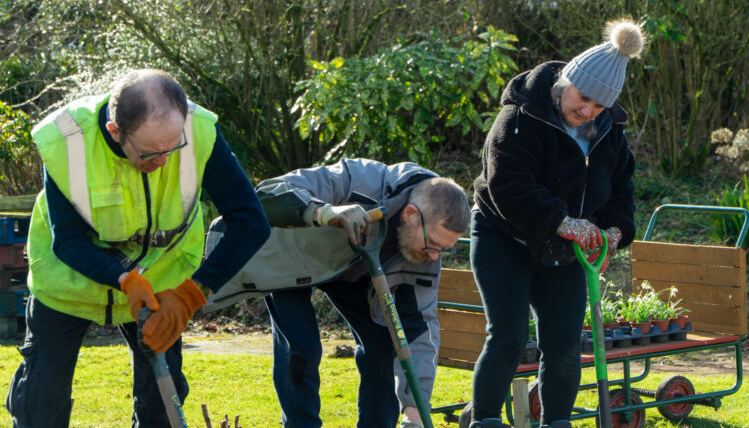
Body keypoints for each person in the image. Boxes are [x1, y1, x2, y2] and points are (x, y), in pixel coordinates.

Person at [6, 68, 271, 427]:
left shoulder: (198, 131)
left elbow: (251, 222)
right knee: (40, 405)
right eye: (149, 153)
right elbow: (68, 242)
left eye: (173, 147)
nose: (164, 161)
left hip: (162, 281)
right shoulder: (66, 141)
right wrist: (124, 279)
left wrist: (193, 293)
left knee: (161, 406)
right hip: (68, 283)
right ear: (116, 132)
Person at [461, 19, 644, 428]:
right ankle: (485, 421)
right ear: (565, 82)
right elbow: (507, 184)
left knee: (562, 345)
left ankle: (557, 422)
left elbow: (622, 188)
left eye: (598, 106)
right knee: (507, 338)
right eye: (583, 99)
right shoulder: (519, 117)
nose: (587, 111)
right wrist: (561, 221)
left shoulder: (609, 132)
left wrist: (616, 231)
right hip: (503, 236)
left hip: (566, 248)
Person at [205, 158, 471, 428]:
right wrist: (324, 212)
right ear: (410, 214)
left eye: (444, 249)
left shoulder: (426, 253)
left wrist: (415, 412)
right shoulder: (359, 180)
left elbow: (420, 329)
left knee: (381, 347)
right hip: (293, 258)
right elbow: (270, 193)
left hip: (352, 270)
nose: (434, 255)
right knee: (302, 347)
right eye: (433, 244)